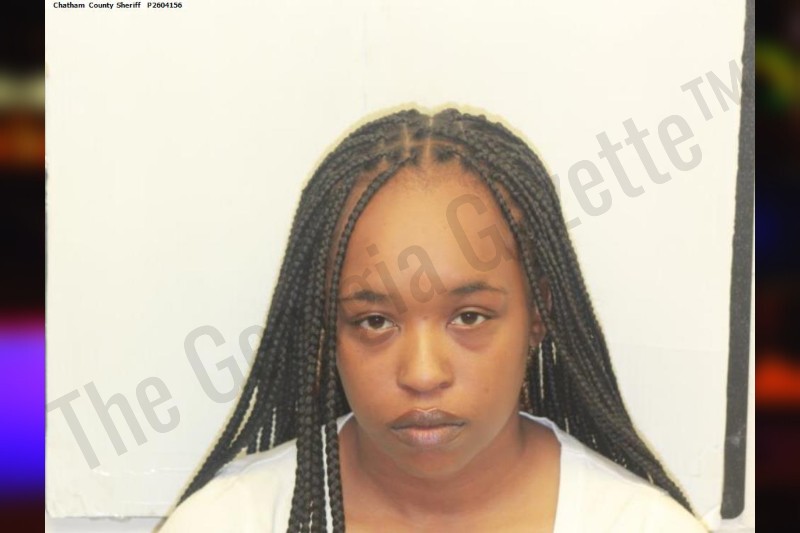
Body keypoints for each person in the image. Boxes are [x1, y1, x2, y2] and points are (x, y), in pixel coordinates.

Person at [160, 108, 708, 532]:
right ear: (327, 328)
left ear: (538, 314)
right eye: (375, 321)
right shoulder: (229, 521)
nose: (423, 374)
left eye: (469, 316)